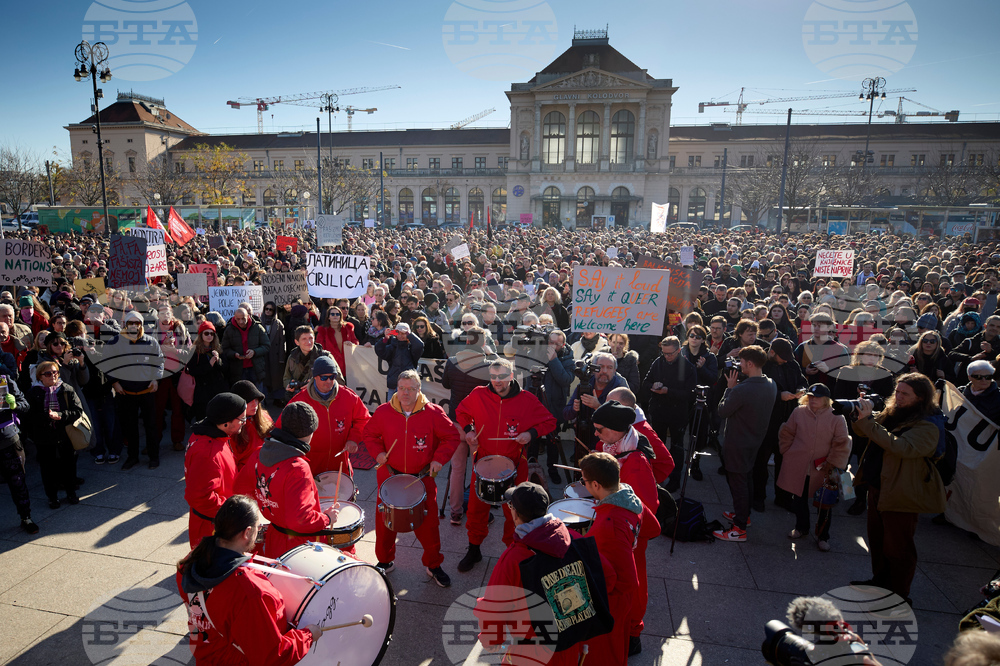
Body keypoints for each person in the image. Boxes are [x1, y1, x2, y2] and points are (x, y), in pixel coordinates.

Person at [474, 482, 616, 666]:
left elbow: (494, 608)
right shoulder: (574, 538)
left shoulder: (514, 559)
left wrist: (492, 641)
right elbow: (608, 577)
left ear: (515, 514)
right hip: (570, 645)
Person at [176, 494, 319, 664]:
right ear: (247, 532)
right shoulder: (249, 590)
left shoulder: (192, 560)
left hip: (207, 654)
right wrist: (308, 635)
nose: (260, 530)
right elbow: (272, 656)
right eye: (259, 527)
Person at [851, 373, 946, 605]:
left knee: (899, 547)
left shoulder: (930, 423)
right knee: (878, 540)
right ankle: (879, 582)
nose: (899, 397)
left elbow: (901, 447)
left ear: (921, 397)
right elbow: (865, 431)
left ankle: (899, 595)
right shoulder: (894, 412)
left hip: (902, 491)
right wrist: (861, 414)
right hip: (878, 485)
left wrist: (868, 422)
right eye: (898, 392)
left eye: (905, 394)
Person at [455, 358, 557, 573]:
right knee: (476, 509)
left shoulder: (527, 400)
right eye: (493, 377)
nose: (497, 381)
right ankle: (474, 549)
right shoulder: (479, 394)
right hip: (483, 461)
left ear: (511, 376)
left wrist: (530, 434)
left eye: (502, 377)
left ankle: (514, 552)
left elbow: (550, 421)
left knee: (515, 512)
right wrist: (469, 429)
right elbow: (461, 411)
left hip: (514, 464)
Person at [363, 369, 459, 586]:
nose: (405, 393)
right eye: (402, 388)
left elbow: (451, 436)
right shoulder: (384, 411)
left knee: (429, 524)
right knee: (385, 523)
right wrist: (377, 452)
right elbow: (369, 434)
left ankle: (433, 564)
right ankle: (385, 561)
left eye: (411, 389)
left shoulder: (433, 413)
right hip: (390, 476)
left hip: (422, 478)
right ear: (397, 388)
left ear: (419, 390)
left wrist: (438, 460)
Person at [591, 401, 659, 656]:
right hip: (613, 523)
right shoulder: (611, 446)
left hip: (629, 535)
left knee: (632, 582)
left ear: (617, 430)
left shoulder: (636, 462)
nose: (596, 434)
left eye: (600, 429)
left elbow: (645, 507)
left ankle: (633, 633)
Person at [580, 451, 658, 665]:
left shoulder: (609, 525)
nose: (584, 484)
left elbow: (628, 581)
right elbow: (653, 528)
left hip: (611, 601)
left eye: (584, 481)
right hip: (620, 598)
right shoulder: (630, 497)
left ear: (596, 485)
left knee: (606, 654)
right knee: (617, 647)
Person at [232, 402, 340, 558]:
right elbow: (300, 520)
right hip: (301, 547)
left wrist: (268, 504)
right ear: (309, 432)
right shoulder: (297, 468)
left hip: (274, 537)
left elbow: (239, 489)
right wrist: (326, 518)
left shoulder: (258, 454)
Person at [777, 384, 851, 552]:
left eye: (817, 397)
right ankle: (802, 528)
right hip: (799, 465)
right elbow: (787, 432)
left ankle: (823, 536)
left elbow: (842, 443)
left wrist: (832, 462)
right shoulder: (799, 412)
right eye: (810, 396)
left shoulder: (837, 417)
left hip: (824, 469)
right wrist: (787, 451)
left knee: (824, 504)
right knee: (799, 499)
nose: (813, 400)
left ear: (826, 400)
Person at [714, 345, 777, 542]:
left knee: (738, 482)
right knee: (747, 478)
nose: (739, 365)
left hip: (737, 442)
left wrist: (729, 389)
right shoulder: (771, 383)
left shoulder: (742, 389)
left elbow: (722, 411)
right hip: (755, 440)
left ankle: (739, 528)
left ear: (749, 363)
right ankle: (744, 515)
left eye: (741, 362)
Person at [282, 355, 370, 475]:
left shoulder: (348, 397)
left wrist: (353, 439)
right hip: (310, 464)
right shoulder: (300, 400)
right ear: (315, 377)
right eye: (324, 378)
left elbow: (364, 419)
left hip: (339, 464)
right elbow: (283, 429)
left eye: (332, 377)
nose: (329, 381)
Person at [101, 310, 164, 470]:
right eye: (131, 323)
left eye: (137, 323)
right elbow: (107, 363)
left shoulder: (150, 342)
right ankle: (132, 456)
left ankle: (154, 456)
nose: (134, 326)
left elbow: (159, 361)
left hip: (147, 391)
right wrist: (114, 382)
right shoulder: (115, 342)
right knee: (130, 426)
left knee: (151, 425)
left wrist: (155, 378)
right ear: (125, 325)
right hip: (126, 392)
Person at [184, 392, 247, 549]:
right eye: (241, 419)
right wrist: (236, 512)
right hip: (213, 528)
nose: (244, 423)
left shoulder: (211, 435)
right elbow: (202, 498)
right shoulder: (208, 453)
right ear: (225, 422)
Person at [758, 338, 808, 511]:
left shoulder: (792, 364)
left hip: (788, 418)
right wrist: (779, 395)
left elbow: (803, 380)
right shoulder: (763, 364)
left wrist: (801, 389)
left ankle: (783, 497)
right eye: (782, 357)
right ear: (772, 352)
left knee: (785, 460)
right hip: (768, 419)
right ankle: (758, 496)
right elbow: (758, 388)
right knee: (761, 460)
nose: (786, 360)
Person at [27, 361, 85, 509]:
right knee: (48, 469)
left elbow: (78, 411)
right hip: (44, 438)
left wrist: (60, 415)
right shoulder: (34, 393)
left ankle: (71, 493)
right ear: (40, 376)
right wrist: (47, 417)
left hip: (65, 434)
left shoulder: (66, 389)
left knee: (69, 466)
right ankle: (52, 497)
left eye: (55, 372)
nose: (52, 375)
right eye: (48, 373)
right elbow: (28, 417)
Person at [641, 336, 697, 491]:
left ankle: (675, 479)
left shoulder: (688, 367)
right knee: (657, 446)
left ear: (678, 351)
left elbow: (690, 394)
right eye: (664, 353)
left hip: (677, 413)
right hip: (658, 410)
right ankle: (657, 476)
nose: (667, 356)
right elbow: (645, 382)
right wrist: (653, 385)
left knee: (677, 447)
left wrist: (668, 391)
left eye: (670, 354)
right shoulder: (658, 362)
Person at [564, 351, 629, 459]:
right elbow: (566, 414)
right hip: (583, 442)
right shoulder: (584, 385)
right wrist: (574, 409)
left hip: (609, 448)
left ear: (614, 370)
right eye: (600, 367)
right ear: (593, 369)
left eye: (609, 368)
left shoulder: (620, 389)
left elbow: (624, 420)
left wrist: (598, 407)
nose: (604, 371)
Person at [606, 386, 674, 485]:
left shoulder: (644, 432)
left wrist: (644, 481)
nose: (606, 408)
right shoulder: (617, 422)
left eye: (611, 405)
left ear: (625, 408)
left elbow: (666, 463)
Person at [0, 369, 33, 532]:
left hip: (8, 440)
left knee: (18, 483)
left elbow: (25, 405)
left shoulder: (4, 379)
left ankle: (26, 517)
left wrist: (14, 404)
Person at [186, 321, 228, 423]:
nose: (209, 336)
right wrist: (209, 365)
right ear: (201, 335)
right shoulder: (194, 350)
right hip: (202, 391)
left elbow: (226, 369)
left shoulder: (218, 349)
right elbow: (191, 370)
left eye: (212, 333)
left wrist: (218, 360)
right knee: (203, 418)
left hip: (217, 388)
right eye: (206, 333)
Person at [795, 312, 851, 390]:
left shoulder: (840, 350)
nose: (816, 328)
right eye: (814, 325)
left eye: (820, 326)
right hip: (806, 392)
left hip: (830, 392)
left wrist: (829, 370)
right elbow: (792, 370)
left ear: (828, 328)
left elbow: (847, 375)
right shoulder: (802, 347)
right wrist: (805, 371)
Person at [221, 307, 270, 388]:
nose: (241, 321)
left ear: (248, 316)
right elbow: (224, 348)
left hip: (255, 369)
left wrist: (254, 352)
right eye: (238, 319)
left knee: (258, 397)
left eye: (243, 318)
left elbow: (266, 345)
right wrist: (234, 354)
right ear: (234, 318)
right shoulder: (229, 330)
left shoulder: (258, 327)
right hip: (237, 370)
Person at [229, 381, 271, 473]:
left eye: (256, 400)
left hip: (267, 471)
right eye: (249, 401)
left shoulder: (265, 418)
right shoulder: (231, 427)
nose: (255, 404)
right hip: (246, 476)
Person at [375, 322, 423, 399]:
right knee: (391, 409)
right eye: (398, 333)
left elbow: (420, 345)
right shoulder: (392, 347)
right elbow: (380, 351)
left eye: (403, 333)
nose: (401, 336)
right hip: (393, 385)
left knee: (407, 409)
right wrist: (385, 339)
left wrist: (409, 334)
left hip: (408, 386)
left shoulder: (411, 348)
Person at [315, 305, 357, 377]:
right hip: (331, 364)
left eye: (337, 314)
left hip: (348, 363)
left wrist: (352, 344)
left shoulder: (348, 328)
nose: (335, 316)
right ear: (328, 316)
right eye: (332, 314)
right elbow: (319, 348)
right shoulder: (323, 331)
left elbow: (355, 341)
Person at [259, 301, 287, 405]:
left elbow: (282, 341)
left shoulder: (278, 323)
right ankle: (264, 398)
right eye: (266, 309)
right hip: (263, 354)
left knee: (276, 377)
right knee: (264, 376)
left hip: (275, 355)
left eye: (270, 309)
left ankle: (277, 398)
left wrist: (281, 357)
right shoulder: (259, 322)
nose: (268, 311)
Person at [960, 359, 1000, 424]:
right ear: (969, 377)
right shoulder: (960, 392)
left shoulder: (998, 396)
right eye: (978, 377)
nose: (984, 380)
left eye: (988, 377)